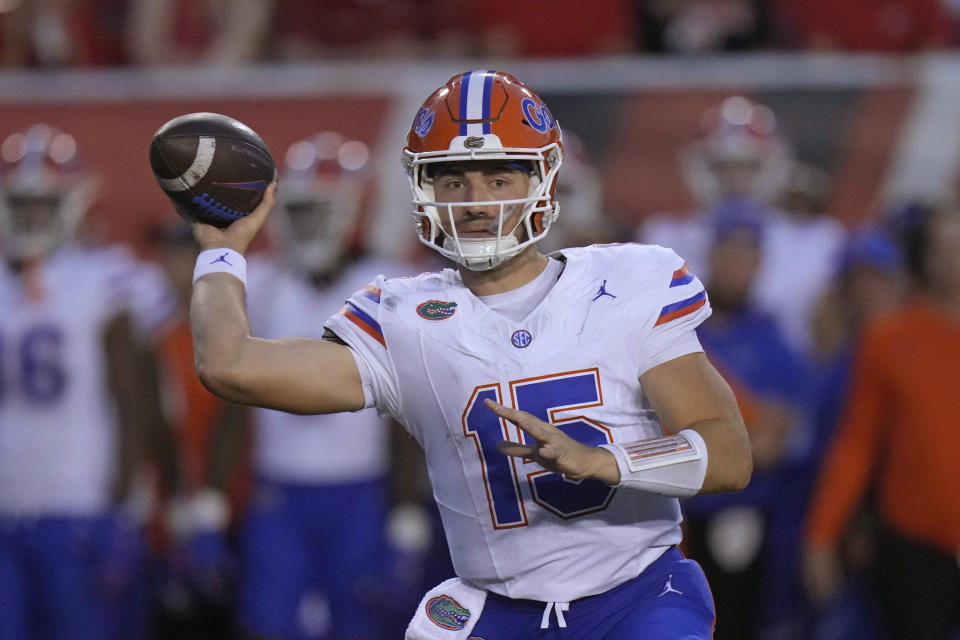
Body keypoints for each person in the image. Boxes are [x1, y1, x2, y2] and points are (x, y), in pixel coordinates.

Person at [188, 70, 752, 639]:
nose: (477, 201)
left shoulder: (630, 279)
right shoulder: (403, 315)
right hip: (499, 610)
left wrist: (607, 461)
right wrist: (220, 250)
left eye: (499, 176)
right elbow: (229, 366)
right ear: (424, 190)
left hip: (636, 597)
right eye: (453, 181)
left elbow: (728, 453)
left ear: (543, 178)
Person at [237, 131, 424, 640]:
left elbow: (409, 408)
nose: (309, 225)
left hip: (361, 492)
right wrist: (210, 499)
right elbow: (232, 402)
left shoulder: (389, 288)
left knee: (362, 624)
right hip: (278, 493)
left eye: (320, 210)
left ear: (349, 211)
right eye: (300, 212)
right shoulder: (260, 283)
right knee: (270, 624)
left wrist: (406, 506)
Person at [0, 123, 175, 640]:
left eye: (44, 204)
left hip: (79, 502)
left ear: (73, 203)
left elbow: (136, 399)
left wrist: (124, 506)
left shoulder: (106, 279)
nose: (32, 216)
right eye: (23, 203)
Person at [803, 198, 960, 639]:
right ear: (925, 258)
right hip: (914, 542)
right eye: (942, 248)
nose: (952, 260)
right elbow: (857, 444)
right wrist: (822, 534)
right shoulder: (888, 340)